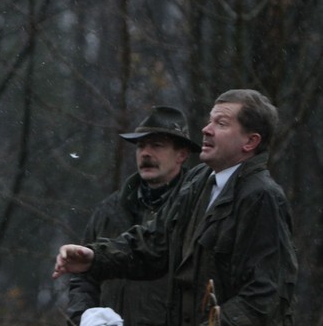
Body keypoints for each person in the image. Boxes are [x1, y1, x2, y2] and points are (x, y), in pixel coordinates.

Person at [53, 89, 297, 325]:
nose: (206, 130)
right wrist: (95, 257)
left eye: (221, 123)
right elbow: (157, 243)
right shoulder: (200, 180)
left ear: (250, 141)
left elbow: (265, 295)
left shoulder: (261, 197)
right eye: (209, 121)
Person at [67, 106, 200, 325]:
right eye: (140, 146)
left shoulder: (196, 208)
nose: (146, 153)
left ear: (182, 155)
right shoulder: (109, 210)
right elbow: (83, 277)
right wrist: (85, 316)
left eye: (157, 145)